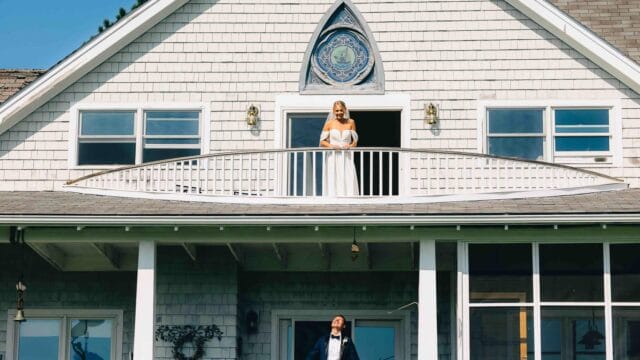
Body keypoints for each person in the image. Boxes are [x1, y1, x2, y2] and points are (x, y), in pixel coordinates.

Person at [319, 100, 359, 196]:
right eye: (336, 111)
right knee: (334, 177)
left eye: (341, 110)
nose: (339, 113)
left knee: (348, 177)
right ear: (333, 111)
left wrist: (349, 146)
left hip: (346, 156)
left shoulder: (351, 122)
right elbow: (322, 142)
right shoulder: (329, 123)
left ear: (345, 110)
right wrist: (332, 146)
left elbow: (355, 142)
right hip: (333, 156)